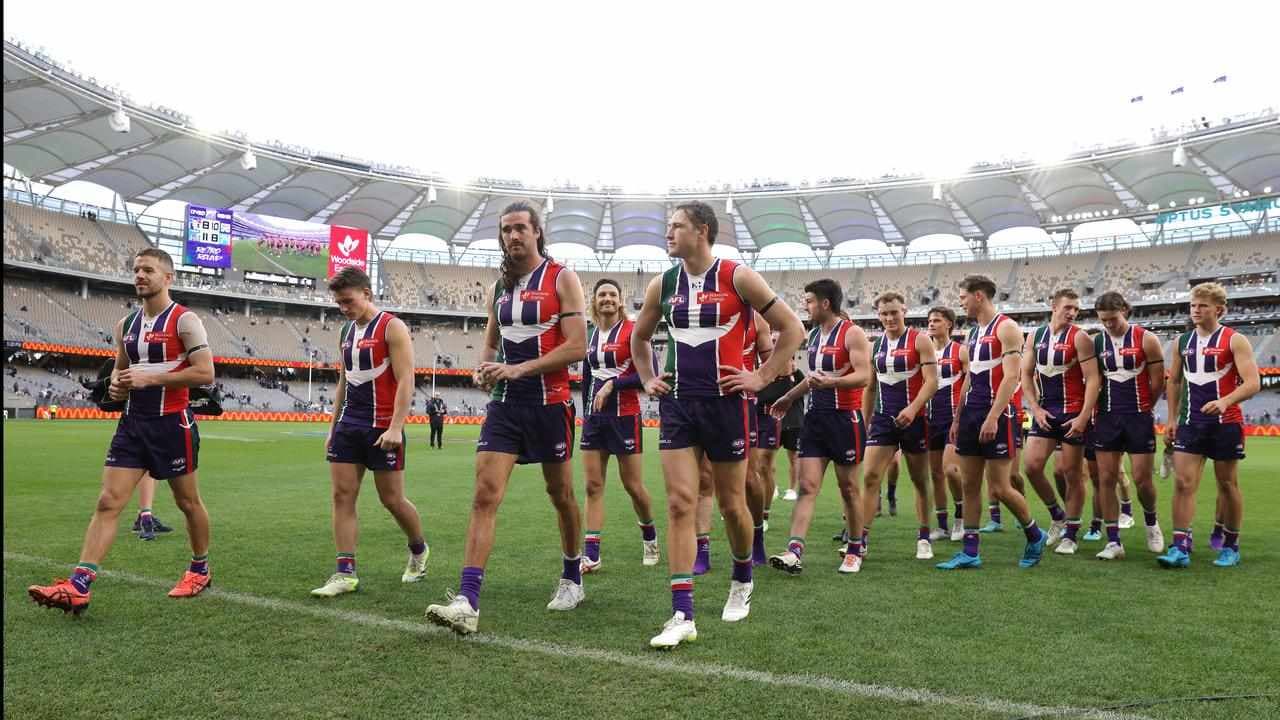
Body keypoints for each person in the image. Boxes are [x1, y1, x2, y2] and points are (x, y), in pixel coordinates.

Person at [631, 201, 804, 649]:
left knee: (731, 504)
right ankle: (682, 612)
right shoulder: (662, 284)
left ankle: (743, 577)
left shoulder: (738, 276)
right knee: (679, 503)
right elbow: (639, 337)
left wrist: (761, 376)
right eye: (668, 226)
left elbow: (792, 329)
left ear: (702, 231)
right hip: (678, 407)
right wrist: (648, 377)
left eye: (677, 226)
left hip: (727, 406)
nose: (668, 233)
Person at [425, 201, 587, 635]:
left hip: (550, 404)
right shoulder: (500, 287)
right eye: (505, 230)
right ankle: (467, 600)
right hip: (504, 405)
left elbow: (577, 347)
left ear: (537, 232)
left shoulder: (562, 278)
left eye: (519, 228)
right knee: (485, 495)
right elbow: (490, 342)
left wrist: (519, 369)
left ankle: (572, 575)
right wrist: (483, 368)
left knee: (561, 494)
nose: (512, 236)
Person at [28, 248, 216, 615]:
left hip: (172, 425)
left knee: (187, 502)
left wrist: (151, 378)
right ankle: (79, 585)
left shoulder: (185, 320)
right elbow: (119, 369)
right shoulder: (125, 325)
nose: (140, 275)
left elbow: (205, 373)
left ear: (168, 278)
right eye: (136, 270)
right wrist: (116, 385)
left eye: (148, 270)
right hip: (131, 425)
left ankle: (200, 569)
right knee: (108, 501)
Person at [311, 268, 429, 597]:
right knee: (342, 496)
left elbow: (406, 379)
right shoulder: (346, 331)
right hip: (349, 425)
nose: (343, 308)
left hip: (383, 427)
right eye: (339, 303)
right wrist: (332, 427)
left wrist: (396, 427)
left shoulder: (392, 327)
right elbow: (344, 380)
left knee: (391, 499)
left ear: (367, 293)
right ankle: (345, 573)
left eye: (348, 301)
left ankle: (419, 550)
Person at [936, 275, 1047, 570]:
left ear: (979, 296)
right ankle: (970, 552)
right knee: (970, 484)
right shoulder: (973, 333)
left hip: (998, 414)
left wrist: (993, 416)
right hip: (971, 413)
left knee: (999, 488)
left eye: (963, 297)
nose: (961, 302)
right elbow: (970, 378)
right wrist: (958, 418)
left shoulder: (1006, 327)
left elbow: (1011, 377)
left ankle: (1035, 535)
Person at [767, 279, 872, 574]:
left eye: (809, 300)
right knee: (807, 487)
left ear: (825, 303)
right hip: (814, 420)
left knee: (849, 488)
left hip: (844, 419)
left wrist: (831, 383)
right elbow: (813, 377)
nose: (805, 305)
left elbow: (864, 376)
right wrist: (788, 397)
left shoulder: (852, 333)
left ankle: (855, 548)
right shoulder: (814, 335)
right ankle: (794, 550)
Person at [1159, 282, 1260, 568]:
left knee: (1227, 484)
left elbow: (1253, 383)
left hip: (1225, 423)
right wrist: (1171, 419)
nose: (1195, 310)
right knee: (1183, 482)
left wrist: (1226, 401)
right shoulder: (1182, 342)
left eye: (1202, 306)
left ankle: (1231, 546)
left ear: (1219, 310)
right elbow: (1174, 382)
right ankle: (1180, 546)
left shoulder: (1235, 340)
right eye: (1193, 305)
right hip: (1191, 423)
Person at [579, 278, 660, 573]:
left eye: (612, 294)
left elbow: (649, 374)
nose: (607, 299)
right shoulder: (589, 335)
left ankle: (650, 539)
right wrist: (585, 412)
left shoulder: (633, 331)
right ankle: (592, 556)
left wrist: (614, 383)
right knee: (592, 486)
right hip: (594, 419)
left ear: (620, 300)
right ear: (594, 300)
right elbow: (586, 376)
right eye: (602, 294)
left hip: (625, 417)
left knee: (633, 486)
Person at [1019, 289, 1101, 555]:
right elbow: (1026, 375)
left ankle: (1072, 535)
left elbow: (1093, 379)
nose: (1072, 313)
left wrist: (1084, 416)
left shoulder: (1080, 337)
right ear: (1054, 306)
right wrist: (1035, 408)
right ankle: (1057, 515)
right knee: (1031, 467)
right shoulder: (1035, 336)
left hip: (1073, 412)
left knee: (1072, 473)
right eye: (1068, 307)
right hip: (1046, 411)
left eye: (1076, 309)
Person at [860, 292, 939, 560]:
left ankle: (924, 537)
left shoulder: (920, 340)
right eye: (884, 313)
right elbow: (870, 387)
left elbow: (931, 381)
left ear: (904, 311)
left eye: (894, 312)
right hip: (883, 420)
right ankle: (861, 540)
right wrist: (864, 421)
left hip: (915, 419)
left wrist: (913, 408)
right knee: (870, 477)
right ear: (878, 315)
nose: (889, 318)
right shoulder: (875, 346)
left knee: (919, 479)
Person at [1091, 291, 1165, 561]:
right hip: (1107, 416)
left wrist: (1145, 407)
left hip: (1138, 416)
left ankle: (1151, 523)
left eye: (1112, 318)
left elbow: (1158, 382)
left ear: (1124, 310)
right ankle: (1113, 541)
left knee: (1142, 479)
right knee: (1106, 478)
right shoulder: (1097, 342)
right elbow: (1094, 380)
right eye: (1103, 320)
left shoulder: (1147, 339)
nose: (1108, 324)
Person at [925, 307, 965, 543]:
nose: (931, 324)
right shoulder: (923, 351)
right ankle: (941, 526)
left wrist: (961, 417)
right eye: (930, 320)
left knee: (950, 470)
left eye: (937, 320)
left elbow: (970, 383)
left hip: (952, 419)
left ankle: (961, 516)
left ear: (949, 324)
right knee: (935, 473)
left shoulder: (960, 351)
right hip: (928, 419)